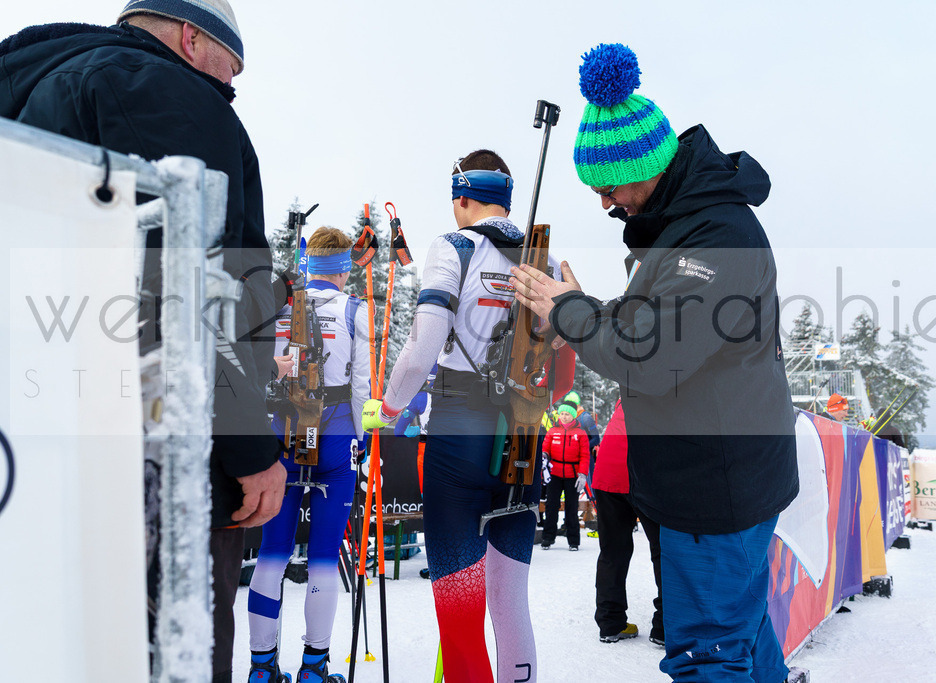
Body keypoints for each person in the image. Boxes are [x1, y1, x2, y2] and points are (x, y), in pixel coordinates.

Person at [0, 3, 287, 681]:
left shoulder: (28, 103)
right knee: (167, 647)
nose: (231, 88)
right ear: (191, 36)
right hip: (160, 454)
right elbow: (196, 285)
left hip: (40, 440)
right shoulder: (172, 94)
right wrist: (250, 446)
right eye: (230, 67)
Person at [510, 43, 798, 681]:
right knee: (743, 639)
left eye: (609, 188)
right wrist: (581, 314)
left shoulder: (716, 235)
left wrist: (571, 312)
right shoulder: (686, 226)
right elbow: (653, 321)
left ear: (641, 165)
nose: (608, 204)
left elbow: (655, 353)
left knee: (709, 656)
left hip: (716, 489)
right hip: (718, 477)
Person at [361, 149, 571, 683]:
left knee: (459, 612)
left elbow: (424, 342)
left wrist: (387, 408)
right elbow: (564, 373)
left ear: (462, 198)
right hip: (524, 431)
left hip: (460, 429)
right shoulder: (540, 257)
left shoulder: (453, 244)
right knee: (510, 604)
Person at [247, 228, 369, 683]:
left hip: (280, 437)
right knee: (323, 556)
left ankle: (262, 668)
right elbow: (361, 387)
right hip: (335, 439)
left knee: (272, 555)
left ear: (307, 264)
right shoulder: (355, 310)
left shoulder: (278, 306)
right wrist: (363, 438)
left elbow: (255, 374)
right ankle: (314, 669)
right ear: (343, 268)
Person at [591, 399, 664, 646]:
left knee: (612, 552)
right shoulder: (665, 389)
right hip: (643, 475)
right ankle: (664, 627)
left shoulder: (626, 392)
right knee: (664, 552)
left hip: (607, 474)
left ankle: (610, 623)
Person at [540, 403, 590, 550]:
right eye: (562, 413)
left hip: (572, 475)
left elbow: (585, 456)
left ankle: (573, 541)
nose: (564, 416)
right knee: (551, 506)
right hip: (554, 473)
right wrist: (544, 456)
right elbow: (545, 448)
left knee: (571, 508)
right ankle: (548, 538)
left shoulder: (581, 433)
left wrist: (582, 474)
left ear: (573, 416)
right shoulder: (553, 430)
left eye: (567, 414)